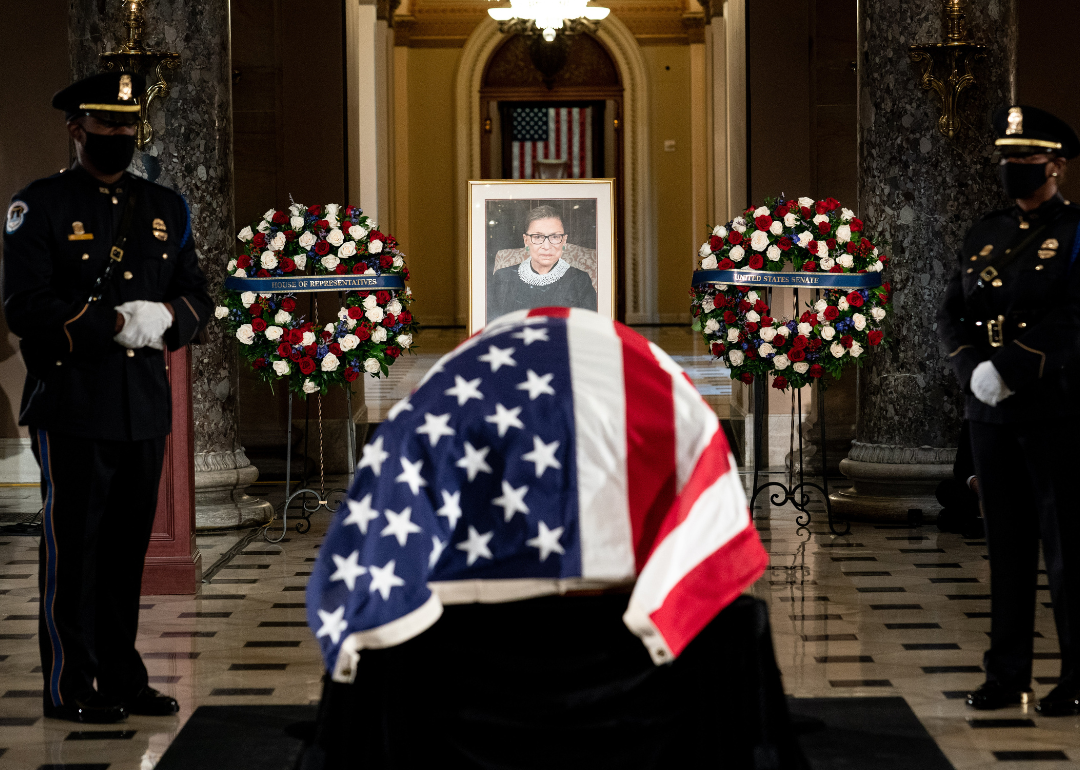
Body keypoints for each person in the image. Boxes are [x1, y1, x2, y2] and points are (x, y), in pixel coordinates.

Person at [2, 72, 212, 723]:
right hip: (72, 403)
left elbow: (199, 297)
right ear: (77, 128)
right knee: (75, 551)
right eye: (105, 125)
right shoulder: (38, 206)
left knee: (125, 551)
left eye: (127, 125)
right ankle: (71, 684)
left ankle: (123, 677)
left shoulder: (165, 207)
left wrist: (167, 318)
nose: (118, 135)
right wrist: (117, 323)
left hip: (142, 405)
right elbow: (26, 307)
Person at [937, 105, 1080, 715]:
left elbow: (1074, 318)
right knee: (1008, 547)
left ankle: (1076, 676)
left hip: (1055, 409)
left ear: (1056, 166)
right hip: (989, 412)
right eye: (1009, 159)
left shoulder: (1075, 233)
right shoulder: (984, 232)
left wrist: (1013, 367)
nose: (1014, 168)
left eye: (1027, 160)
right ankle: (1007, 674)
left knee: (1065, 548)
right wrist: (974, 370)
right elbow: (950, 312)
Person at [487, 205, 598, 320]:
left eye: (555, 237)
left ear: (564, 241)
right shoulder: (503, 277)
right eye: (538, 237)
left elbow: (589, 330)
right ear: (526, 241)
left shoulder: (580, 281)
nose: (546, 246)